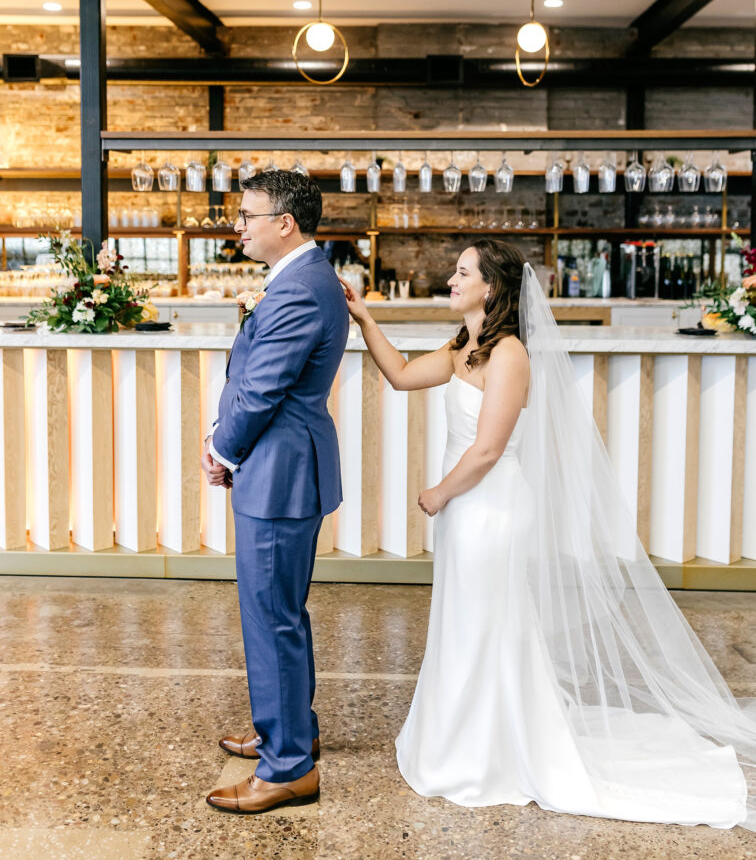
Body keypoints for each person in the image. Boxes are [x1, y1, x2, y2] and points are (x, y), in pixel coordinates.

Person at [342, 238, 756, 829]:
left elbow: (487, 451)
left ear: (492, 288)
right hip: (467, 512)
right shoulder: (466, 347)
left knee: (487, 626)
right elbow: (403, 376)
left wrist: (437, 493)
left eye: (463, 273)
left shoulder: (509, 354)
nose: (451, 279)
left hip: (491, 509)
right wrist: (364, 318)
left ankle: (492, 752)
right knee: (465, 624)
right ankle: (461, 738)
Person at [202, 169, 349, 815]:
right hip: (283, 466)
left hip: (278, 473)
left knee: (271, 617)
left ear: (284, 222)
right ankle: (290, 729)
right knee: (282, 611)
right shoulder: (303, 278)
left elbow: (262, 388)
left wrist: (220, 448)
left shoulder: (298, 290)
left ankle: (287, 766)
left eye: (248, 215)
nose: (240, 225)